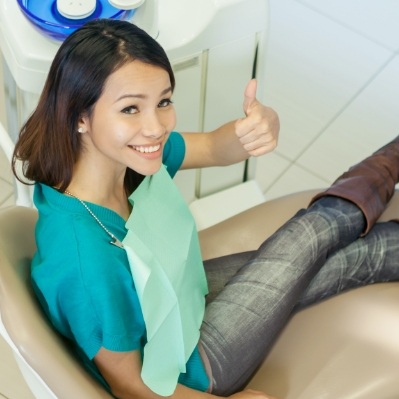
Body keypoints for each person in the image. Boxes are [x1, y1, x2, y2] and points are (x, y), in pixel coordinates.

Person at [12, 18, 399, 399]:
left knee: (342, 260)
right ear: (80, 116)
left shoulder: (122, 159)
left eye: (163, 101)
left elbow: (215, 147)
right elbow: (130, 385)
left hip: (177, 299)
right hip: (191, 366)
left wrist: (255, 128)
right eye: (130, 109)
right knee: (314, 232)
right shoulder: (85, 258)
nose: (155, 127)